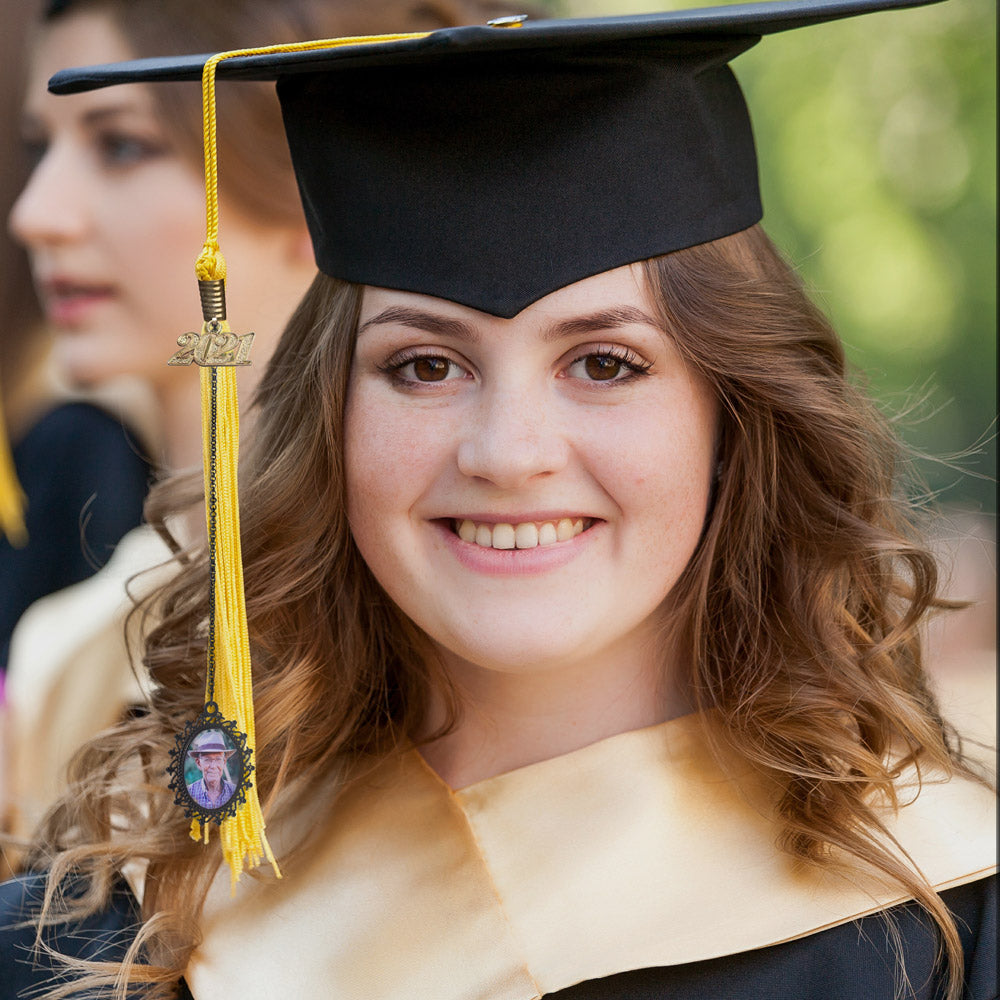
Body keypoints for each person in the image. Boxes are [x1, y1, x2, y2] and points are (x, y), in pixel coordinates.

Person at [1, 1, 996, 999]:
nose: (508, 453)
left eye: (605, 363)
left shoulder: (949, 931)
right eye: (424, 365)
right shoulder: (117, 934)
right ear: (328, 419)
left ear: (732, 419)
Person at [0, 0, 525, 853]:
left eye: (121, 143)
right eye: (39, 146)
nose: (39, 214)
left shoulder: (457, 608)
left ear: (314, 171)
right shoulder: (72, 643)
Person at [184, 731, 238, 811]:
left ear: (224, 762)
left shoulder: (234, 792)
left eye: (218, 759)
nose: (213, 766)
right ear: (199, 763)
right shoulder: (190, 793)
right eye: (207, 760)